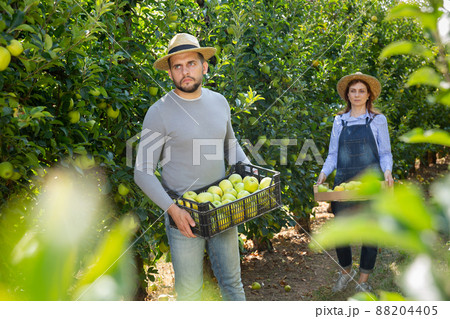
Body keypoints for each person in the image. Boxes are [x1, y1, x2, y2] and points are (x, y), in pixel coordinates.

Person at [134, 33, 249, 301]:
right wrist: (173, 211)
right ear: (171, 72)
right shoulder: (159, 112)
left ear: (204, 66)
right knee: (190, 294)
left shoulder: (219, 102)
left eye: (191, 64)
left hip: (223, 208)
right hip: (183, 215)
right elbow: (142, 172)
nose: (185, 71)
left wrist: (248, 171)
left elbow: (231, 146)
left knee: (233, 284)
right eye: (178, 66)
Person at [317, 72, 394, 293]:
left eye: (362, 91)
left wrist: (387, 172)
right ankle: (345, 271)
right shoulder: (339, 121)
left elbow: (385, 153)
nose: (357, 95)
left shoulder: (377, 120)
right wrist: (323, 174)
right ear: (347, 95)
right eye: (353, 91)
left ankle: (363, 280)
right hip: (344, 183)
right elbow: (333, 155)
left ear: (369, 95)